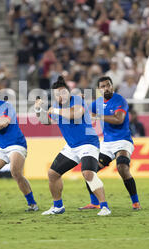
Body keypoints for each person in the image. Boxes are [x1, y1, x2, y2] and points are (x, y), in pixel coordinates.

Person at [35, 76, 111, 216]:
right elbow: (46, 122)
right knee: (53, 174)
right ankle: (58, 206)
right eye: (57, 94)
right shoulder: (57, 107)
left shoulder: (77, 100)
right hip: (72, 147)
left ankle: (104, 206)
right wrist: (38, 110)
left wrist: (54, 111)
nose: (61, 96)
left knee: (88, 173)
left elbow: (74, 114)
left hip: (88, 143)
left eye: (63, 92)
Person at [79, 76, 141, 211]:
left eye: (108, 85)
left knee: (122, 168)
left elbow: (119, 119)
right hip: (106, 144)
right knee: (89, 171)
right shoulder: (97, 103)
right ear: (99, 89)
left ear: (112, 86)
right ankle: (94, 203)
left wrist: (98, 116)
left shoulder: (120, 100)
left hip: (123, 141)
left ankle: (135, 202)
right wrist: (81, 103)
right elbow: (85, 114)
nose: (106, 88)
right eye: (103, 86)